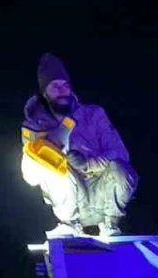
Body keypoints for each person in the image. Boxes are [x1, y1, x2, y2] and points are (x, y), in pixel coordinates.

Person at [21, 53, 137, 239]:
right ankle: (69, 225)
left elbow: (119, 152)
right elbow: (30, 178)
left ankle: (111, 225)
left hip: (102, 192)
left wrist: (87, 164)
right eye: (55, 86)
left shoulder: (94, 114)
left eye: (65, 85)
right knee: (53, 169)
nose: (62, 90)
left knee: (120, 168)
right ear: (44, 92)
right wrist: (40, 155)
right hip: (70, 198)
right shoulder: (34, 126)